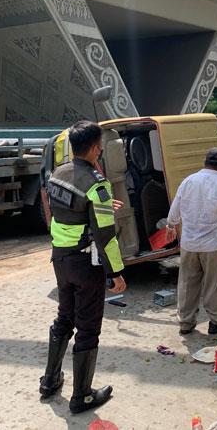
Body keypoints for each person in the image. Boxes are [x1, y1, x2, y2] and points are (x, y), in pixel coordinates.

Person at [39, 120, 127, 414]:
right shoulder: (97, 182)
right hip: (84, 264)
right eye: (100, 145)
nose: (101, 149)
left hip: (60, 259)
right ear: (92, 148)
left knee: (64, 318)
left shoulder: (58, 174)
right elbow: (104, 235)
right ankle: (83, 396)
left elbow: (68, 210)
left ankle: (49, 381)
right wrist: (115, 273)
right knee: (88, 328)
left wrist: (101, 205)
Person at [165, 148, 217, 335]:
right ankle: (216, 321)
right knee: (215, 284)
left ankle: (185, 322)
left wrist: (171, 226)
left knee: (187, 282)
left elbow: (174, 211)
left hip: (189, 244)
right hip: (214, 245)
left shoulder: (188, 182)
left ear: (205, 162)